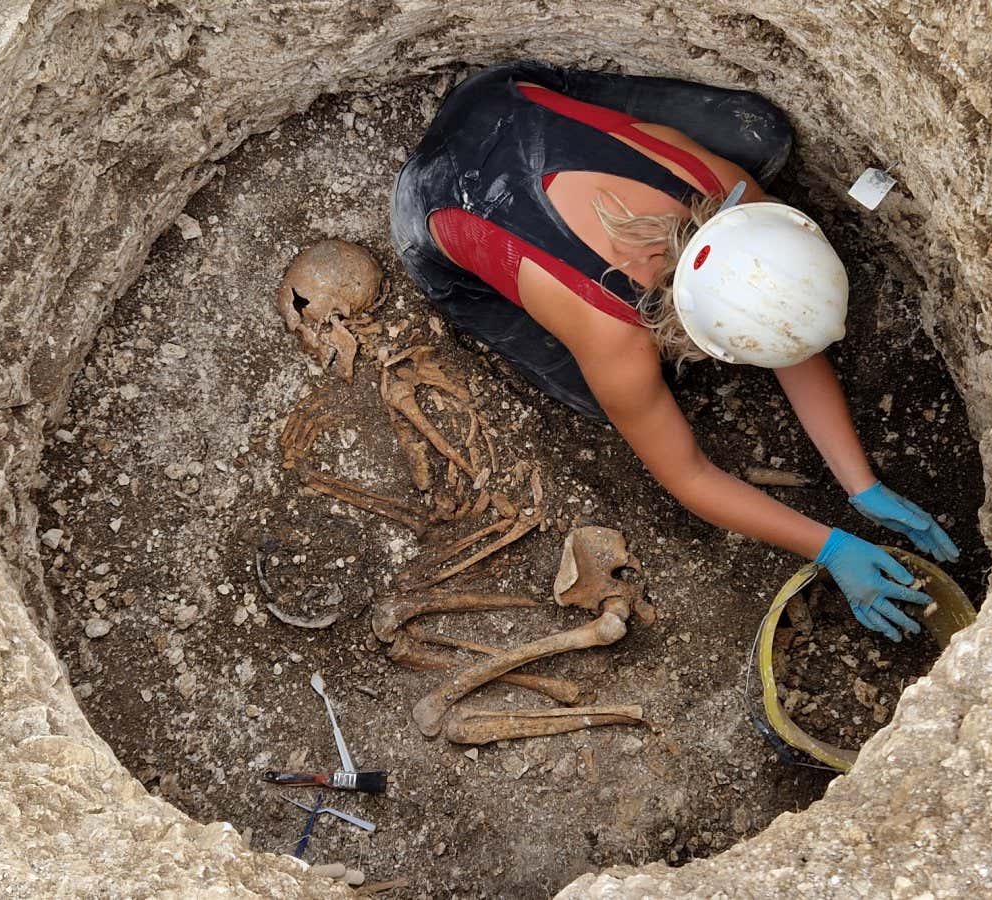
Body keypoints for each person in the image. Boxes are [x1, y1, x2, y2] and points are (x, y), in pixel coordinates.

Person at [390, 61, 959, 642]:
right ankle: (462, 272)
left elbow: (782, 325)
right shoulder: (614, 338)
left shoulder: (729, 195)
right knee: (596, 396)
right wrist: (831, 548)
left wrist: (861, 484)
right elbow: (688, 476)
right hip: (431, 195)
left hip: (507, 102)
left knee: (761, 133)